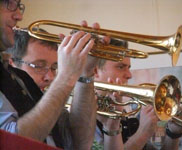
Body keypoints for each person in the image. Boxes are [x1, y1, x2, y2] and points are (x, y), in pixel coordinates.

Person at [0, 0, 107, 149]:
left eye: (55, 67)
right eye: (38, 66)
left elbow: (80, 144)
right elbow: (13, 144)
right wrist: (66, 77)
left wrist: (85, 74)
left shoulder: (22, 81)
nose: (50, 77)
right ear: (13, 62)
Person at [94, 39, 182, 150]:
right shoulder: (84, 119)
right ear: (95, 71)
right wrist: (143, 133)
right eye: (120, 67)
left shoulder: (124, 111)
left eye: (128, 68)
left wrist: (173, 133)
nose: (129, 75)